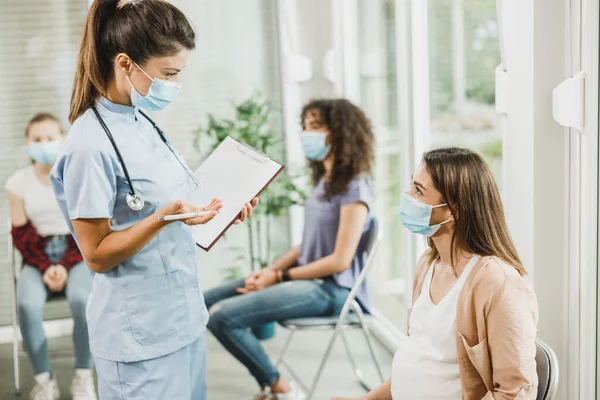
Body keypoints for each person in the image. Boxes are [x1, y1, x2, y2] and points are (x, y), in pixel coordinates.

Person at [50, 1, 257, 399]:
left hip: (180, 317)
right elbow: (95, 254)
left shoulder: (141, 121)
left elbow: (169, 209)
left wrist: (218, 213)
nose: (175, 85)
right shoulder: (89, 146)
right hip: (137, 336)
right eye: (169, 74)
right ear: (125, 64)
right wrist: (162, 219)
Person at [332, 147, 538, 400]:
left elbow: (515, 392)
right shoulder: (429, 263)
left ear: (455, 210)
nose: (407, 196)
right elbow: (421, 358)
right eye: (412, 186)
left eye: (419, 190)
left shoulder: (498, 283)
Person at [204, 98, 376, 400]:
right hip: (305, 280)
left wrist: (280, 277)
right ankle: (274, 383)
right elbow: (306, 245)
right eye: (306, 127)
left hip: (332, 290)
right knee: (205, 302)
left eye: (316, 126)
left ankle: (279, 388)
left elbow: (339, 260)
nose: (307, 134)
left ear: (340, 132)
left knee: (223, 319)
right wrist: (268, 272)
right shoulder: (326, 182)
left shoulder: (355, 188)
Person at [6, 112, 96, 400]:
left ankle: (84, 375)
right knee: (28, 306)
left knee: (85, 301)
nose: (43, 143)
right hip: (36, 256)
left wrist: (65, 266)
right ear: (27, 142)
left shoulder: (76, 176)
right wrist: (47, 266)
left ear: (63, 140)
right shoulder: (17, 183)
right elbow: (21, 233)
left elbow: (85, 226)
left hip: (77, 252)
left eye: (50, 138)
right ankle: (44, 380)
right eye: (37, 139)